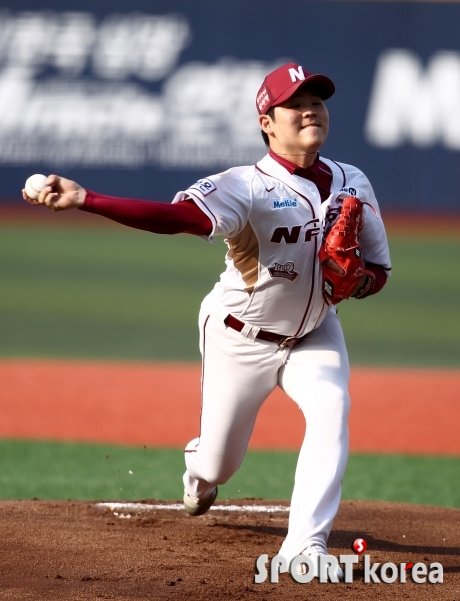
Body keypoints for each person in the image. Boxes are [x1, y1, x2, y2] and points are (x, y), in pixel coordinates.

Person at [23, 62, 391, 579]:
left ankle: (304, 547)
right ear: (267, 123)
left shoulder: (354, 182)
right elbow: (177, 218)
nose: (310, 111)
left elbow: (378, 270)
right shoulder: (245, 186)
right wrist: (88, 199)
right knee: (219, 464)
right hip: (240, 336)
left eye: (317, 102)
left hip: (315, 332)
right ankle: (198, 473)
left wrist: (360, 281)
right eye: (295, 104)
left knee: (332, 406)